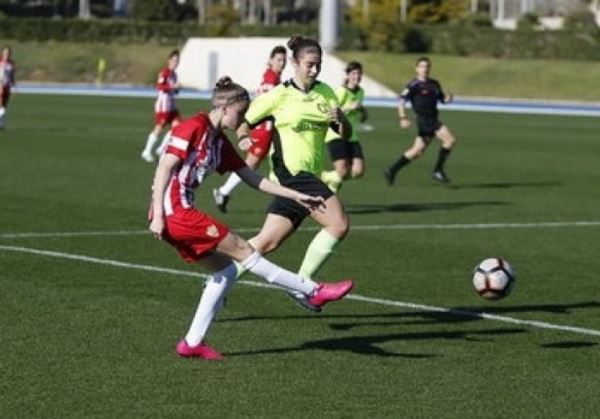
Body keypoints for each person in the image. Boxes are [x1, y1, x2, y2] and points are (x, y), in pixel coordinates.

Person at [149, 76, 354, 360]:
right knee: (245, 251)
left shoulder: (219, 142)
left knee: (226, 272)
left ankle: (192, 342)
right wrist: (158, 214)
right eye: (241, 113)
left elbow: (252, 178)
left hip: (178, 213)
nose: (244, 119)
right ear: (225, 107)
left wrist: (294, 195)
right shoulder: (193, 126)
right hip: (176, 212)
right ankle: (312, 290)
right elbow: (163, 168)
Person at [235, 35, 353, 312]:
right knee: (338, 224)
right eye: (309, 64)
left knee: (267, 242)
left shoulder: (326, 93)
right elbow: (244, 121)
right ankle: (304, 286)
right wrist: (243, 138)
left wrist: (343, 120)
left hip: (308, 178)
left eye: (318, 65)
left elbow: (343, 134)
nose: (314, 70)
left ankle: (220, 279)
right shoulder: (278, 95)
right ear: (294, 63)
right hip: (292, 176)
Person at [212, 45, 287, 212]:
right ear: (271, 61)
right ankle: (223, 191)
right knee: (250, 164)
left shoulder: (274, 77)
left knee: (261, 163)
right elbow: (269, 101)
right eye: (278, 59)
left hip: (268, 127)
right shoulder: (271, 78)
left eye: (284, 60)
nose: (282, 63)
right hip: (263, 128)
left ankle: (224, 192)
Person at [384, 56, 457, 185]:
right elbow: (401, 101)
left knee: (417, 151)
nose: (425, 69)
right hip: (424, 120)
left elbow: (442, 99)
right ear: (416, 69)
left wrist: (448, 99)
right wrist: (403, 118)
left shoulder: (434, 83)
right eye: (422, 66)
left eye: (427, 66)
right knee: (449, 139)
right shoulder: (413, 85)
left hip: (433, 118)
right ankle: (438, 171)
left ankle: (392, 170)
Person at [321, 61, 367, 193]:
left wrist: (363, 112)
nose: (356, 76)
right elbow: (331, 112)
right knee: (342, 171)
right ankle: (321, 177)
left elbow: (358, 110)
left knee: (358, 171)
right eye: (353, 73)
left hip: (352, 136)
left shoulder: (361, 92)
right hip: (336, 134)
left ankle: (330, 181)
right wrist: (349, 107)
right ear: (347, 75)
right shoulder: (341, 92)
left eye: (359, 73)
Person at [141, 49, 181, 162]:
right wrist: (172, 87)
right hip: (163, 105)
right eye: (174, 60)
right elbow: (159, 87)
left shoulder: (174, 75)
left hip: (172, 105)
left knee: (178, 128)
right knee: (159, 128)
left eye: (177, 61)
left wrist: (177, 89)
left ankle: (161, 148)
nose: (175, 63)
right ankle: (147, 151)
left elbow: (174, 91)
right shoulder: (164, 73)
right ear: (169, 61)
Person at [0, 46, 16, 129]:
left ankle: (2, 125)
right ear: (2, 53)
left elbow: (12, 76)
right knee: (1, 104)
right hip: (0, 86)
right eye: (5, 52)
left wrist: (13, 86)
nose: (7, 54)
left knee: (3, 107)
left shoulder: (11, 64)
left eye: (8, 53)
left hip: (7, 86)